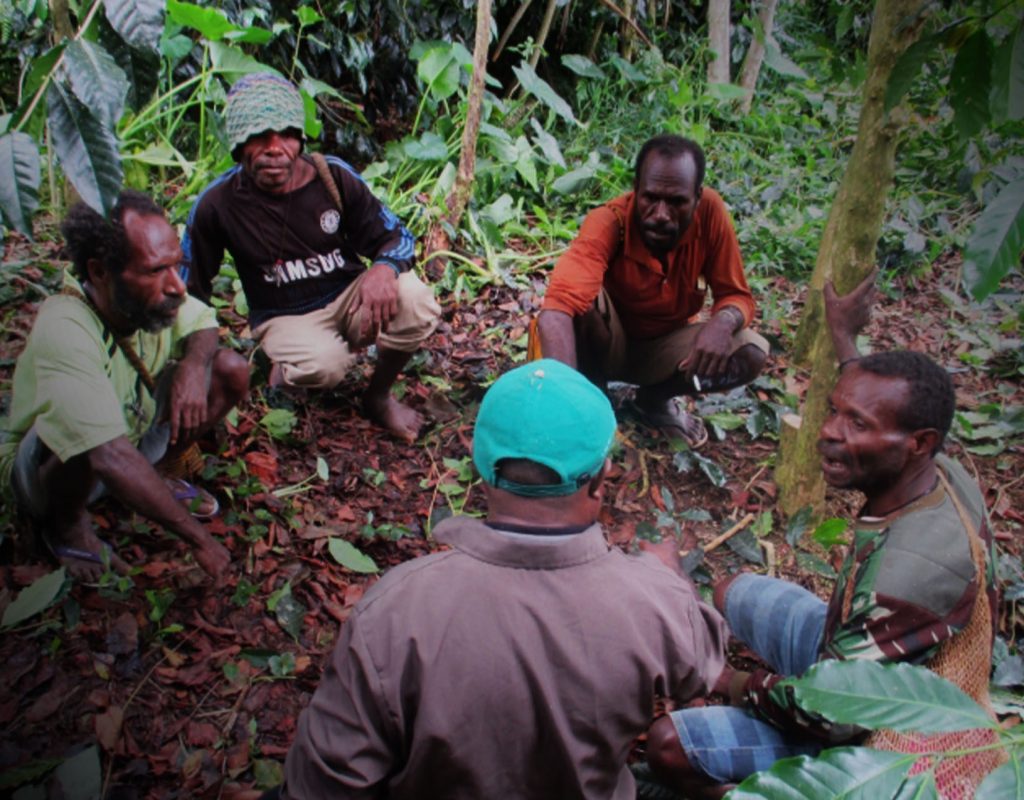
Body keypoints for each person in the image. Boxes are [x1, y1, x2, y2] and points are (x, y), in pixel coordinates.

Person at [275, 359, 728, 799]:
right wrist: (672, 578)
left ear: (480, 471)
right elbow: (704, 659)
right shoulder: (653, 601)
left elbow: (324, 783)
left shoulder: (392, 612)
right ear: (598, 481)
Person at [644, 273, 998, 796]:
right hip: (858, 649)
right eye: (835, 410)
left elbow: (832, 713)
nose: (830, 430)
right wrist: (844, 339)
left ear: (918, 443)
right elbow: (873, 394)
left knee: (669, 747)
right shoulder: (936, 468)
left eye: (856, 423)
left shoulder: (907, 576)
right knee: (732, 592)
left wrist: (729, 683)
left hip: (871, 725)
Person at [0, 192, 248, 581]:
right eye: (154, 271)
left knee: (229, 369)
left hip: (128, 432)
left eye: (176, 266)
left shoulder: (145, 300)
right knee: (79, 430)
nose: (177, 287)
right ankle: (66, 525)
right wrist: (198, 539)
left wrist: (192, 366)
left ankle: (159, 472)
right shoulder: (65, 327)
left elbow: (203, 321)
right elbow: (106, 454)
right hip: (51, 471)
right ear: (99, 272)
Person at [182, 72, 440, 443]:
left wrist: (383, 267)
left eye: (286, 134)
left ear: (300, 139)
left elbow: (397, 236)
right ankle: (283, 369)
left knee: (416, 301)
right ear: (238, 145)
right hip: (285, 313)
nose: (275, 148)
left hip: (348, 296)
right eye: (259, 136)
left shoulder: (331, 176)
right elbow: (189, 289)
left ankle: (378, 395)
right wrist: (195, 361)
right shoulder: (218, 204)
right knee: (324, 366)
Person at [537, 134, 769, 448]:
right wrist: (563, 401)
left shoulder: (711, 215)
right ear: (636, 190)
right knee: (582, 302)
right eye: (651, 198)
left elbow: (737, 295)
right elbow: (556, 311)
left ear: (697, 197)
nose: (661, 214)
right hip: (607, 344)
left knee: (749, 353)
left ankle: (654, 399)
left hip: (666, 348)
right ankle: (593, 398)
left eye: (676, 202)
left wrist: (723, 322)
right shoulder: (608, 222)